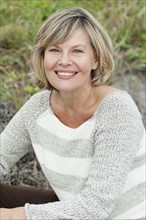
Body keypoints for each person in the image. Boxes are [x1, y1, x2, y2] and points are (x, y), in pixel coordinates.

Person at [0, 7, 145, 220]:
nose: (64, 61)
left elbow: (94, 209)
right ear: (42, 57)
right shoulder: (38, 107)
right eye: (54, 50)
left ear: (95, 59)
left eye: (77, 51)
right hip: (75, 210)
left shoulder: (116, 110)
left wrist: (10, 216)